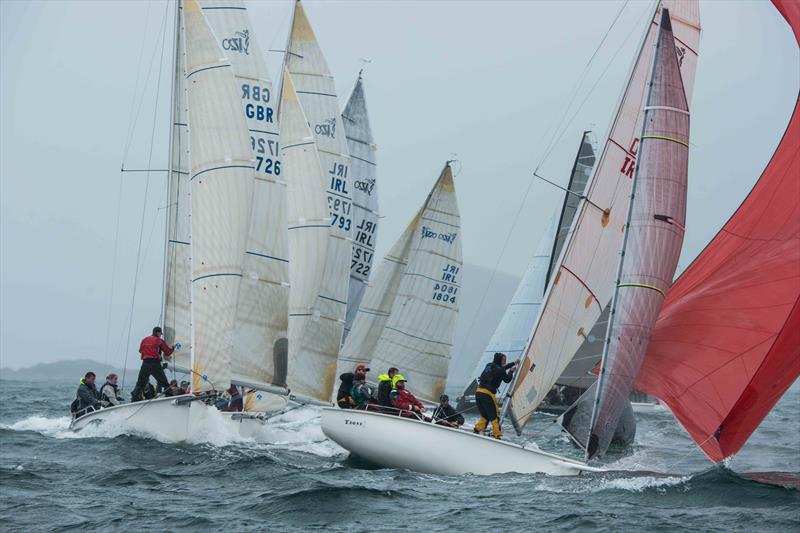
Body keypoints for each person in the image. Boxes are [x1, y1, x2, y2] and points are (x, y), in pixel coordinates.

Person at [474, 352, 517, 439]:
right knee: (495, 416)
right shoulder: (500, 370)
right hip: (487, 394)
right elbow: (507, 379)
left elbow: (501, 368)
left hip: (478, 392)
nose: (505, 361)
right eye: (504, 360)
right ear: (500, 360)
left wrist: (513, 363)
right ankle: (497, 435)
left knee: (485, 415)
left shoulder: (489, 365)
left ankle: (477, 429)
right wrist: (511, 372)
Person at [131, 326, 174, 401]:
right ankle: (170, 398)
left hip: (145, 363)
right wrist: (172, 348)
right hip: (155, 363)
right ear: (158, 333)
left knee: (140, 384)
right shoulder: (159, 340)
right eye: (160, 333)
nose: (160, 335)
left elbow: (140, 351)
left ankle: (133, 400)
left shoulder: (144, 339)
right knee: (164, 382)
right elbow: (168, 352)